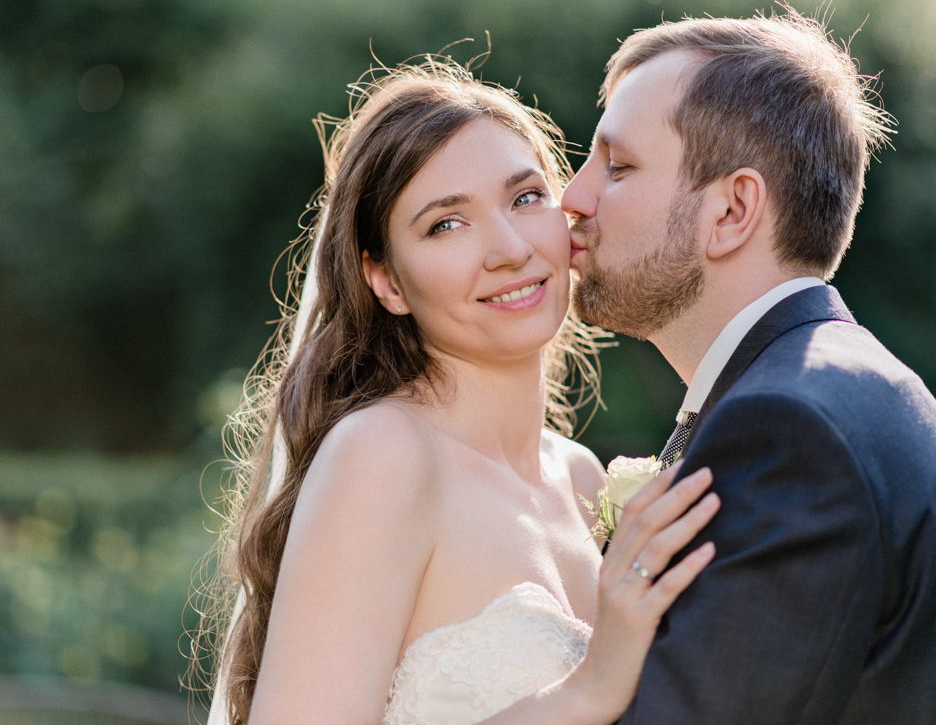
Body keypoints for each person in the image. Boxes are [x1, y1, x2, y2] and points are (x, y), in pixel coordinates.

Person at [193, 58, 721, 725]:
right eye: (447, 223)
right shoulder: (382, 456)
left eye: (526, 198)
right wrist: (585, 692)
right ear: (384, 280)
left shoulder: (583, 480)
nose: (507, 248)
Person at [562, 8, 936, 723]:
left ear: (733, 210)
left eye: (618, 166)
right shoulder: (834, 391)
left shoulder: (794, 432)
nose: (573, 198)